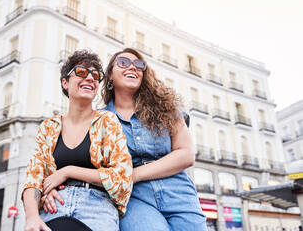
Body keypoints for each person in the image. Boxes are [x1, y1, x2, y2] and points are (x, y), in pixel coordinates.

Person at [21, 50, 133, 231]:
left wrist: (67, 171)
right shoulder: (48, 127)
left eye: (96, 75)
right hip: (54, 206)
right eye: (81, 72)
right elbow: (33, 179)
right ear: (65, 82)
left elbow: (122, 178)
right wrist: (32, 216)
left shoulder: (107, 121)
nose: (90, 78)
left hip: (97, 208)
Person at [102, 48, 207, 231]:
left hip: (178, 192)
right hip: (134, 198)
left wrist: (133, 175)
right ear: (110, 75)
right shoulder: (99, 119)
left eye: (139, 65)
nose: (133, 68)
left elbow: (186, 154)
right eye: (124, 63)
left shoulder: (166, 108)